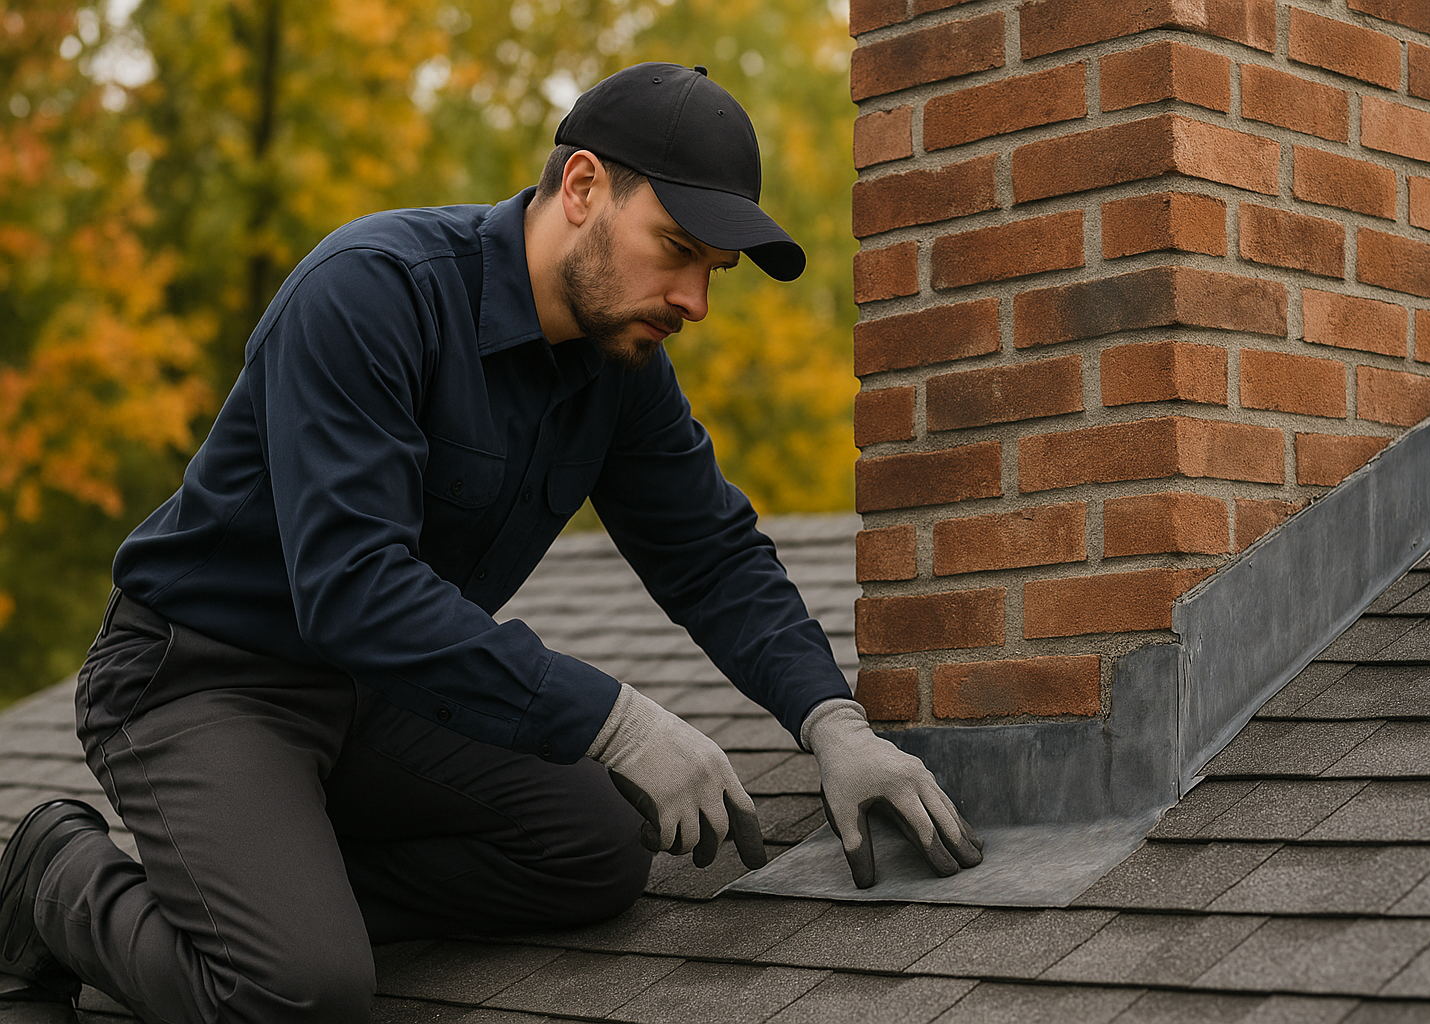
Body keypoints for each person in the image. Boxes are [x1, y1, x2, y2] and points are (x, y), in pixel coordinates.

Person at [0, 62, 981, 1022]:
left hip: (380, 695)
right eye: (676, 249)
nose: (695, 302)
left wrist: (831, 722)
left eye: (712, 273)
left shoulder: (620, 365)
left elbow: (712, 555)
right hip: (204, 678)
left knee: (597, 850)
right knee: (300, 992)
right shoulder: (372, 293)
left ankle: (275, 897)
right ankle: (56, 874)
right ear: (583, 187)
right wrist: (622, 722)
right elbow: (354, 589)